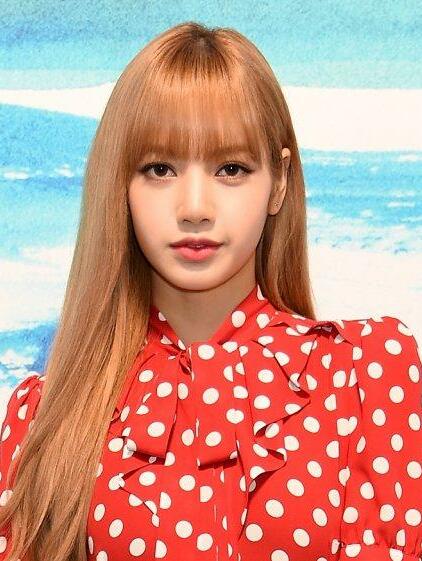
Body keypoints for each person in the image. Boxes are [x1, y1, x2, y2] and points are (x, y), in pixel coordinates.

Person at [0, 20, 421, 561]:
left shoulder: (366, 373)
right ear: (119, 184)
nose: (195, 207)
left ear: (279, 182)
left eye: (230, 168)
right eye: (159, 169)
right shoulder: (45, 416)